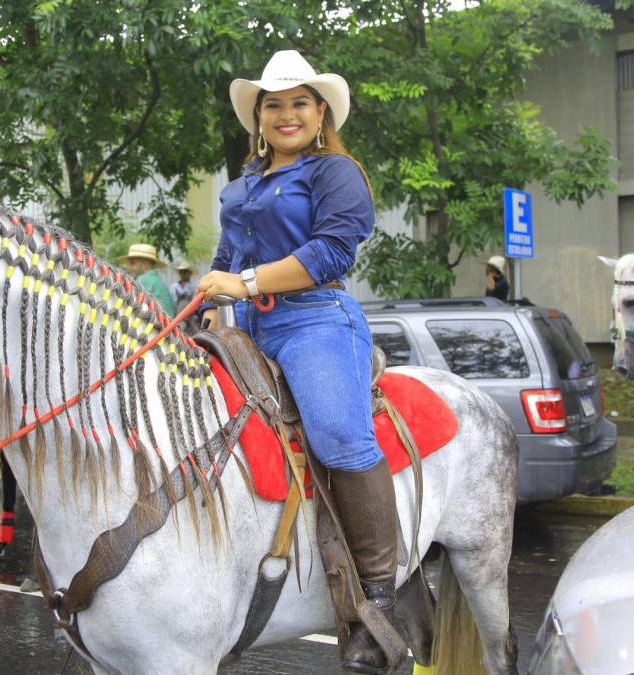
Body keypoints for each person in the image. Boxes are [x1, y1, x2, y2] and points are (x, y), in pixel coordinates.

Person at [196, 50, 395, 673]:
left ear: (320, 113)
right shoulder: (242, 184)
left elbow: (333, 251)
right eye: (273, 104)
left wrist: (243, 282)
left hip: (314, 320)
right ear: (257, 117)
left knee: (338, 438)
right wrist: (207, 302)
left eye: (299, 103)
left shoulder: (335, 172)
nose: (286, 114)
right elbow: (226, 255)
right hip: (247, 325)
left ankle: (377, 597)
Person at [118, 243, 175, 315]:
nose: (128, 267)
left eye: (132, 263)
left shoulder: (143, 279)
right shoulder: (157, 281)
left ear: (146, 265)